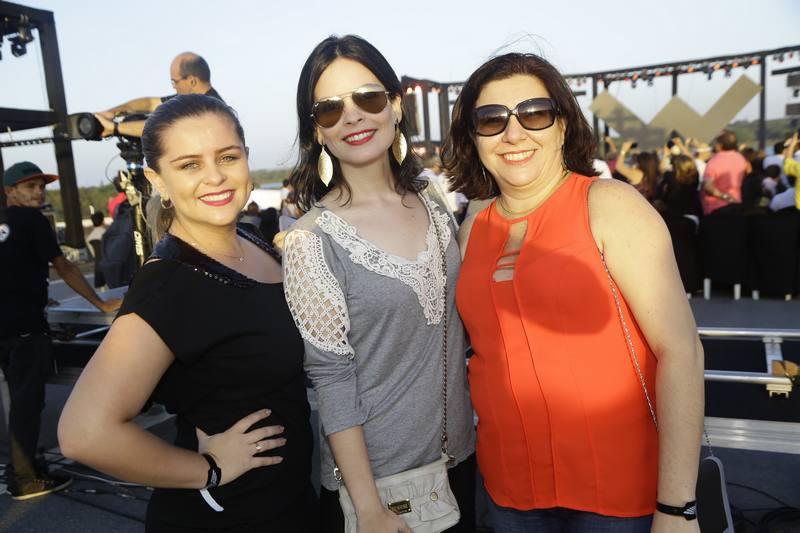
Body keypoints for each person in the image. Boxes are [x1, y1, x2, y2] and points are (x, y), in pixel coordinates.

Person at [441, 52, 704, 533]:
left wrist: (677, 507)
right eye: (492, 119)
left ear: (562, 125)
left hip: (618, 495)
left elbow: (681, 351)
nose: (513, 133)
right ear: (473, 137)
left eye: (534, 113)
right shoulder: (472, 228)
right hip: (508, 492)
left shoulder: (610, 205)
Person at [58, 95, 317, 532]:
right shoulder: (170, 283)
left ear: (246, 158)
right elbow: (84, 433)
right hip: (228, 517)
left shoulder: (252, 241)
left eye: (227, 157)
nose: (215, 176)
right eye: (189, 165)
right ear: (157, 180)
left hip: (291, 502)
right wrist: (208, 469)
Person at [282, 35, 476, 533]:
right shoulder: (311, 241)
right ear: (317, 130)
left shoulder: (432, 200)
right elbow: (331, 380)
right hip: (381, 494)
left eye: (368, 98)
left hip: (460, 464)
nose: (352, 117)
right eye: (330, 109)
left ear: (395, 105)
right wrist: (369, 510)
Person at [1, 161, 121, 500]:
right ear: (10, 191)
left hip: (4, 327)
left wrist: (33, 294)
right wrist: (100, 303)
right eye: (30, 187)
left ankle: (23, 466)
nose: (39, 193)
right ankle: (24, 478)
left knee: (17, 397)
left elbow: (13, 267)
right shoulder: (34, 221)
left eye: (41, 186)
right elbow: (64, 266)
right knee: (27, 402)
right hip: (25, 328)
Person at [94, 52, 223, 139]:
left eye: (175, 82)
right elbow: (150, 103)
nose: (173, 87)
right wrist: (112, 112)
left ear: (192, 81)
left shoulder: (211, 109)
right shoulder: (187, 99)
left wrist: (115, 128)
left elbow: (165, 127)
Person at [701, 130, 749, 214]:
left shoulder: (714, 161)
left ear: (719, 145)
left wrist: (726, 197)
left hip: (716, 208)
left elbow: (708, 186)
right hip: (736, 204)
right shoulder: (741, 158)